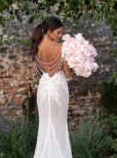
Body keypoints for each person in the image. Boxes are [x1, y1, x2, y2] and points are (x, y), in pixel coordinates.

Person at [30, 16, 74, 158]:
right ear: (49, 31)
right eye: (58, 32)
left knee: (45, 125)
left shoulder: (36, 47)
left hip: (44, 86)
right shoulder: (62, 47)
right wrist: (74, 64)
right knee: (59, 125)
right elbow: (68, 74)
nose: (60, 36)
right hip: (59, 86)